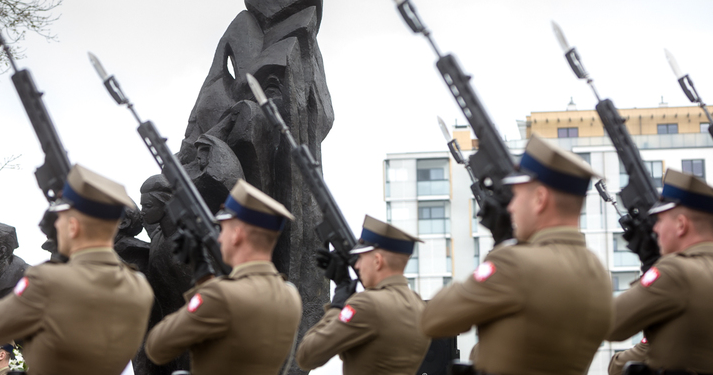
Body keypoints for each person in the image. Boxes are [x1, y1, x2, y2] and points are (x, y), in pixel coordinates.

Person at [421, 134, 613, 375]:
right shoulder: (598, 273)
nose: (510, 206)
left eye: (516, 195)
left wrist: (504, 245)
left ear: (540, 199)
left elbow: (434, 318)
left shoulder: (513, 263)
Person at [0, 164, 154, 375]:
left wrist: (58, 261)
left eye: (60, 218)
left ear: (74, 226)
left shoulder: (47, 279)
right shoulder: (139, 285)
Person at [144, 179, 302, 374]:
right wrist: (204, 277)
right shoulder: (290, 295)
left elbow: (156, 347)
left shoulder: (219, 296)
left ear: (236, 235)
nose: (219, 236)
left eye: (222, 228)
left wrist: (203, 284)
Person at [606, 168, 713, 374]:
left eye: (661, 220)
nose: (656, 229)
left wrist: (652, 268)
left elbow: (611, 323)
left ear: (681, 225)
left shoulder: (676, 272)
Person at [296, 215, 430, 374]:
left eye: (360, 257)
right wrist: (343, 283)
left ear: (378, 261)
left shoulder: (367, 305)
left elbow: (307, 355)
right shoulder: (419, 305)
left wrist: (337, 305)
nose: (357, 265)